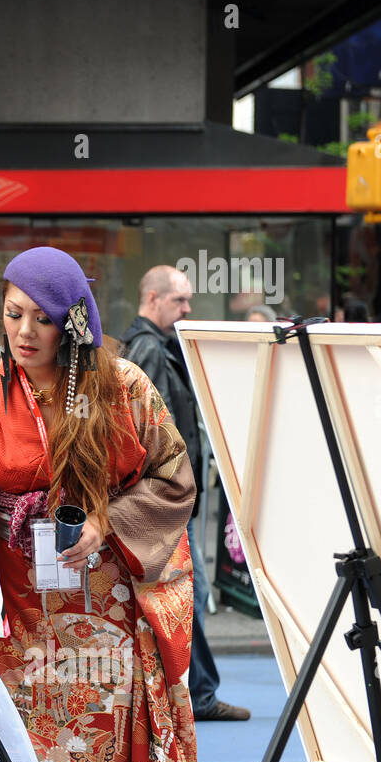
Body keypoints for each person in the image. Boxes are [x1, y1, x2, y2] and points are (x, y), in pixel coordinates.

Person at [0, 246, 197, 762]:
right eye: (12, 313)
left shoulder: (124, 387)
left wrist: (110, 521)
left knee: (96, 757)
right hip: (11, 616)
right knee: (13, 760)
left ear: (72, 322)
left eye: (43, 318)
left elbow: (176, 477)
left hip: (106, 614)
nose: (24, 332)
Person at [121, 267, 249, 722]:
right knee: (180, 595)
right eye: (180, 300)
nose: (188, 308)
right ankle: (199, 691)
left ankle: (193, 690)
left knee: (176, 595)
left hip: (166, 496)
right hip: (165, 499)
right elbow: (146, 431)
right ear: (153, 298)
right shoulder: (149, 350)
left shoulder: (153, 347)